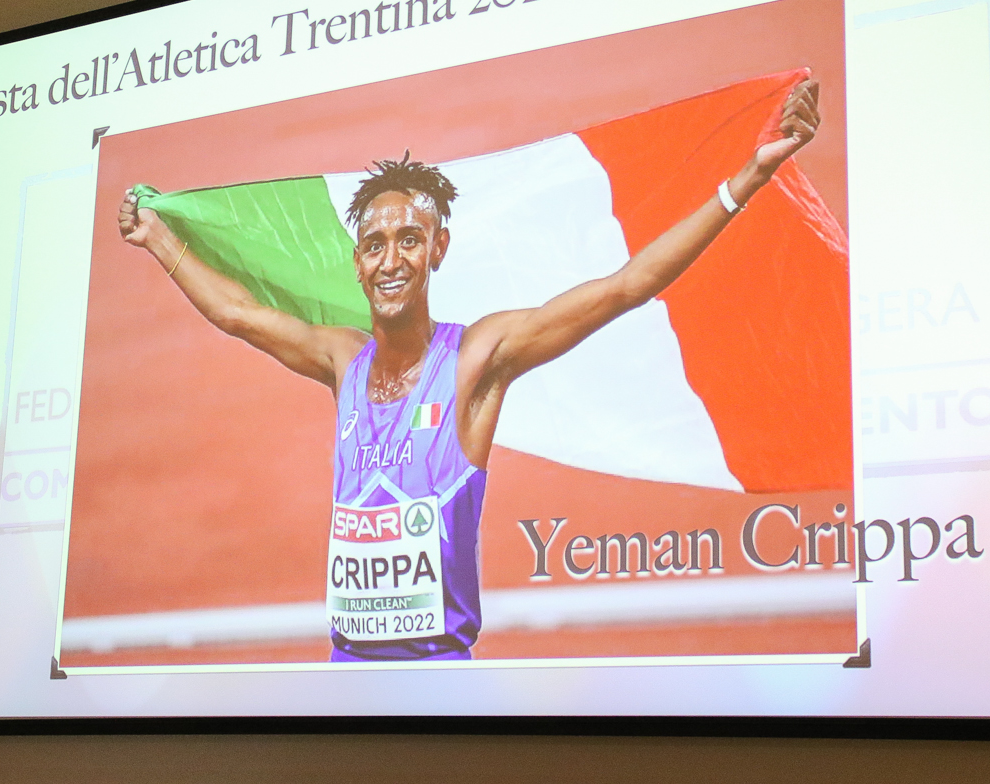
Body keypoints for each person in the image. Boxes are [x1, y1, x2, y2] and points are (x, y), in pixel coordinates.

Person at [118, 79, 821, 661]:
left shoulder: (476, 360)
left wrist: (747, 180)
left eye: (409, 240)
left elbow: (627, 285)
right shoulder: (341, 360)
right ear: (357, 263)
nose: (390, 260)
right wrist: (157, 238)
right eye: (374, 245)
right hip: (346, 678)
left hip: (439, 688)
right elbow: (238, 313)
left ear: (438, 250)